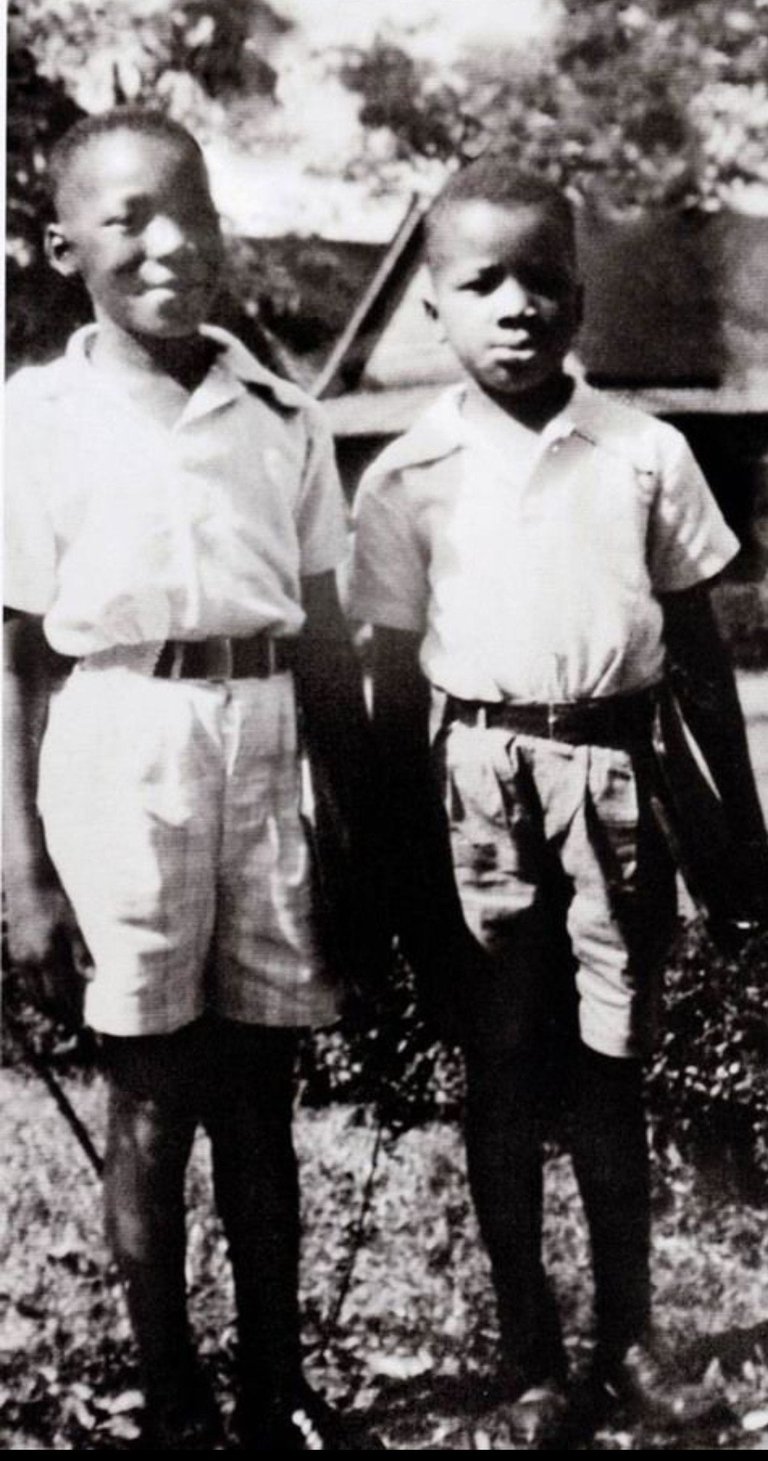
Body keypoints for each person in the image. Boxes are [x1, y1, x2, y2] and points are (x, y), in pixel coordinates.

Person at [348, 157, 768, 1443]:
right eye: (484, 282)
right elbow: (386, 692)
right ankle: (529, 1359)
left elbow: (698, 662)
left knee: (610, 1068)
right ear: (432, 304)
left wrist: (742, 835)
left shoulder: (645, 452)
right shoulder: (406, 475)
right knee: (503, 1069)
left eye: (545, 280)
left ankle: (628, 1341)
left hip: (614, 784)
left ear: (582, 299)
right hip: (475, 791)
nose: (518, 305)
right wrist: (400, 868)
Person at [4, 107, 383, 1451]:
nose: (170, 245)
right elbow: (12, 657)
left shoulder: (282, 413)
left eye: (194, 214)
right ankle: (173, 1398)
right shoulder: (34, 421)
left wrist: (360, 836)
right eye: (129, 219)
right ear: (64, 248)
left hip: (266, 743)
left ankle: (276, 1389)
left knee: (263, 1097)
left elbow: (327, 647)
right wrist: (24, 876)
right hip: (123, 742)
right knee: (154, 1093)